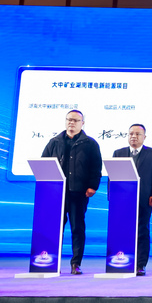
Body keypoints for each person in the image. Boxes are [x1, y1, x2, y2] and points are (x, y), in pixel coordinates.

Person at [41, 109, 102, 275]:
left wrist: (93, 186)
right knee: (55, 228)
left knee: (77, 228)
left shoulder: (90, 144)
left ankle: (76, 263)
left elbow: (96, 168)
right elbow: (44, 163)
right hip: (57, 194)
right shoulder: (54, 142)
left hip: (78, 193)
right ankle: (51, 261)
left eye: (75, 120)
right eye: (69, 119)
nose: (71, 123)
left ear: (83, 123)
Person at [112, 123, 152, 276]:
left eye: (137, 134)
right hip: (122, 200)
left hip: (144, 199)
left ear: (144, 137)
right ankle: (122, 260)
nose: (134, 136)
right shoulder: (119, 153)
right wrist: (112, 196)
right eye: (131, 134)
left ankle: (140, 264)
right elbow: (112, 177)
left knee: (142, 231)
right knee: (122, 231)